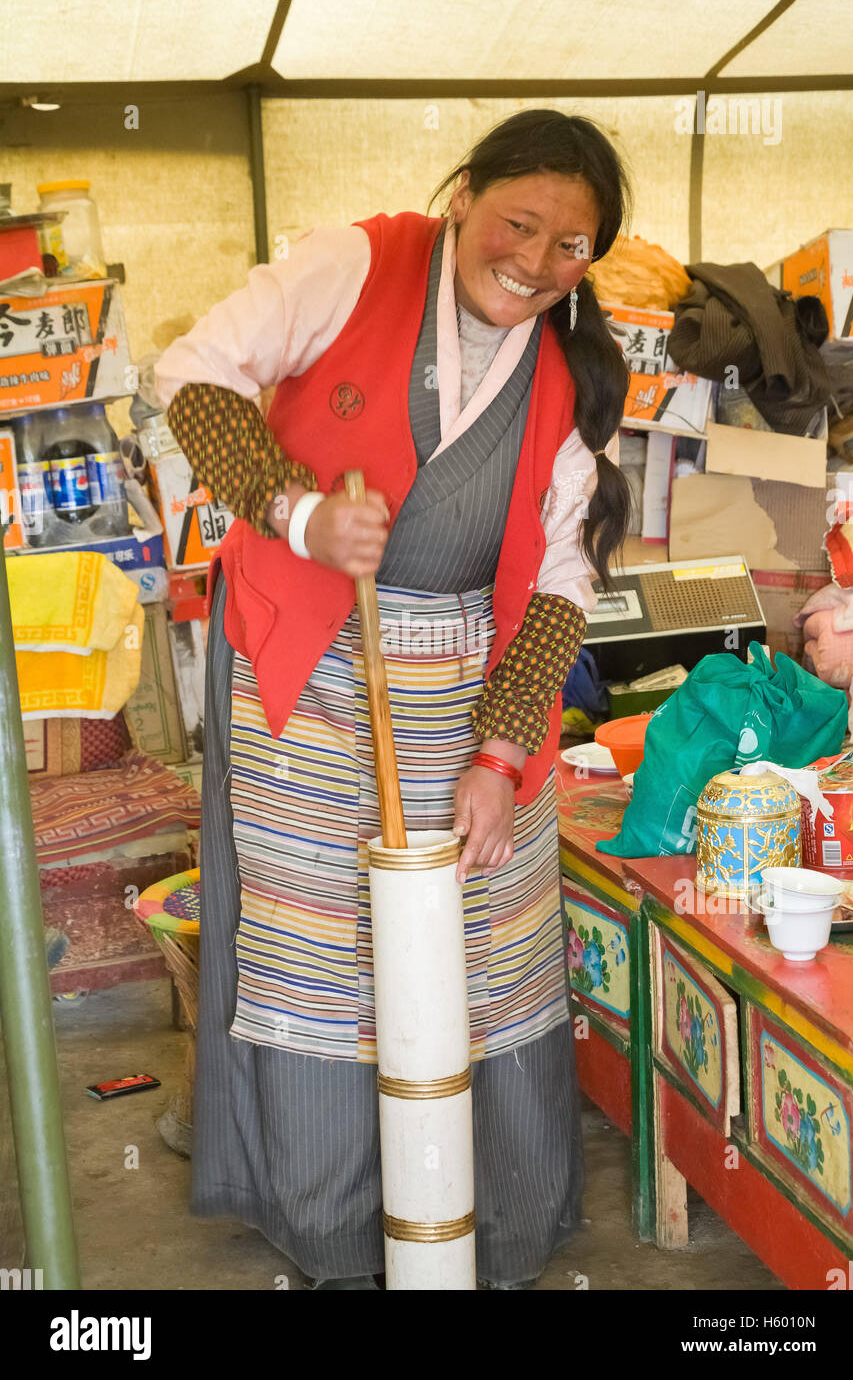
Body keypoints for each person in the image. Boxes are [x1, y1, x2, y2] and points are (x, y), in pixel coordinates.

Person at [154, 108, 632, 1290]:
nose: (532, 265)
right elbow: (191, 372)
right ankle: (333, 1230)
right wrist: (295, 509)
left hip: (476, 678)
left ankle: (496, 1224)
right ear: (465, 195)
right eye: (517, 224)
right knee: (326, 947)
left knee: (488, 936)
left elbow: (560, 579)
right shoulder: (355, 263)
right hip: (310, 666)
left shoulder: (567, 376)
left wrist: (501, 753)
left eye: (568, 248)